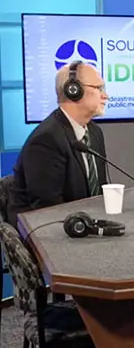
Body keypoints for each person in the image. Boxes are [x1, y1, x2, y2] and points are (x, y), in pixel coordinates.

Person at [8, 60, 109, 228]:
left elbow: (98, 193)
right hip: (45, 233)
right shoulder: (46, 140)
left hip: (82, 224)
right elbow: (47, 209)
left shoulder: (95, 133)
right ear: (73, 90)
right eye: (99, 88)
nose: (105, 96)